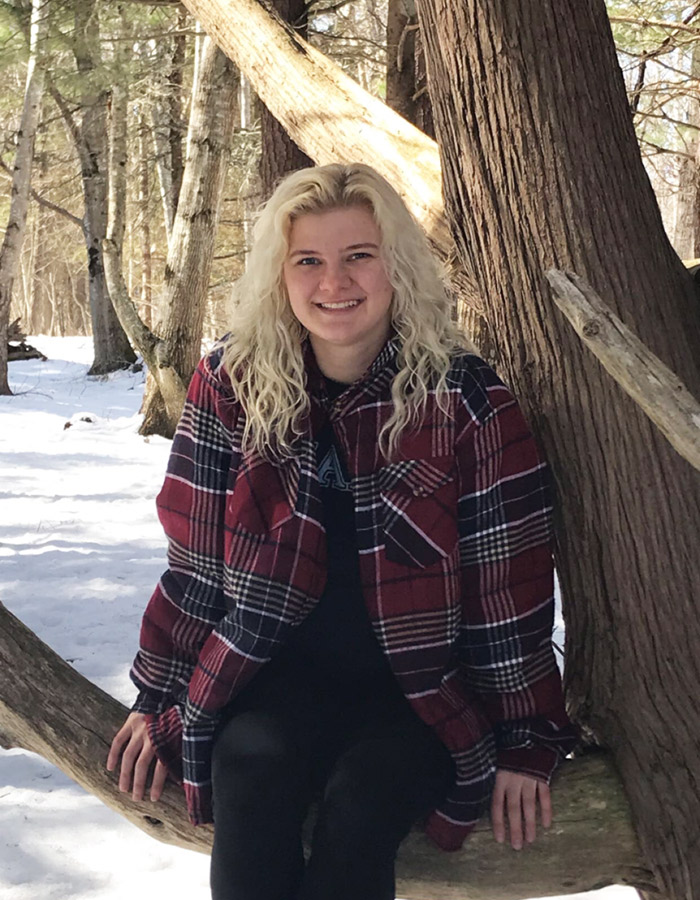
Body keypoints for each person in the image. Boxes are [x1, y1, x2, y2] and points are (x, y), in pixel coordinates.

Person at [107, 163, 577, 900]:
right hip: (270, 676)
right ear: (280, 275)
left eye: (359, 255)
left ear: (396, 264)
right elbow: (195, 565)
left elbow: (505, 590)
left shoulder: (467, 402)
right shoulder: (230, 385)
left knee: (364, 799)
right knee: (250, 770)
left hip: (416, 693)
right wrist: (157, 695)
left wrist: (527, 735)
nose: (335, 282)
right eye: (309, 261)